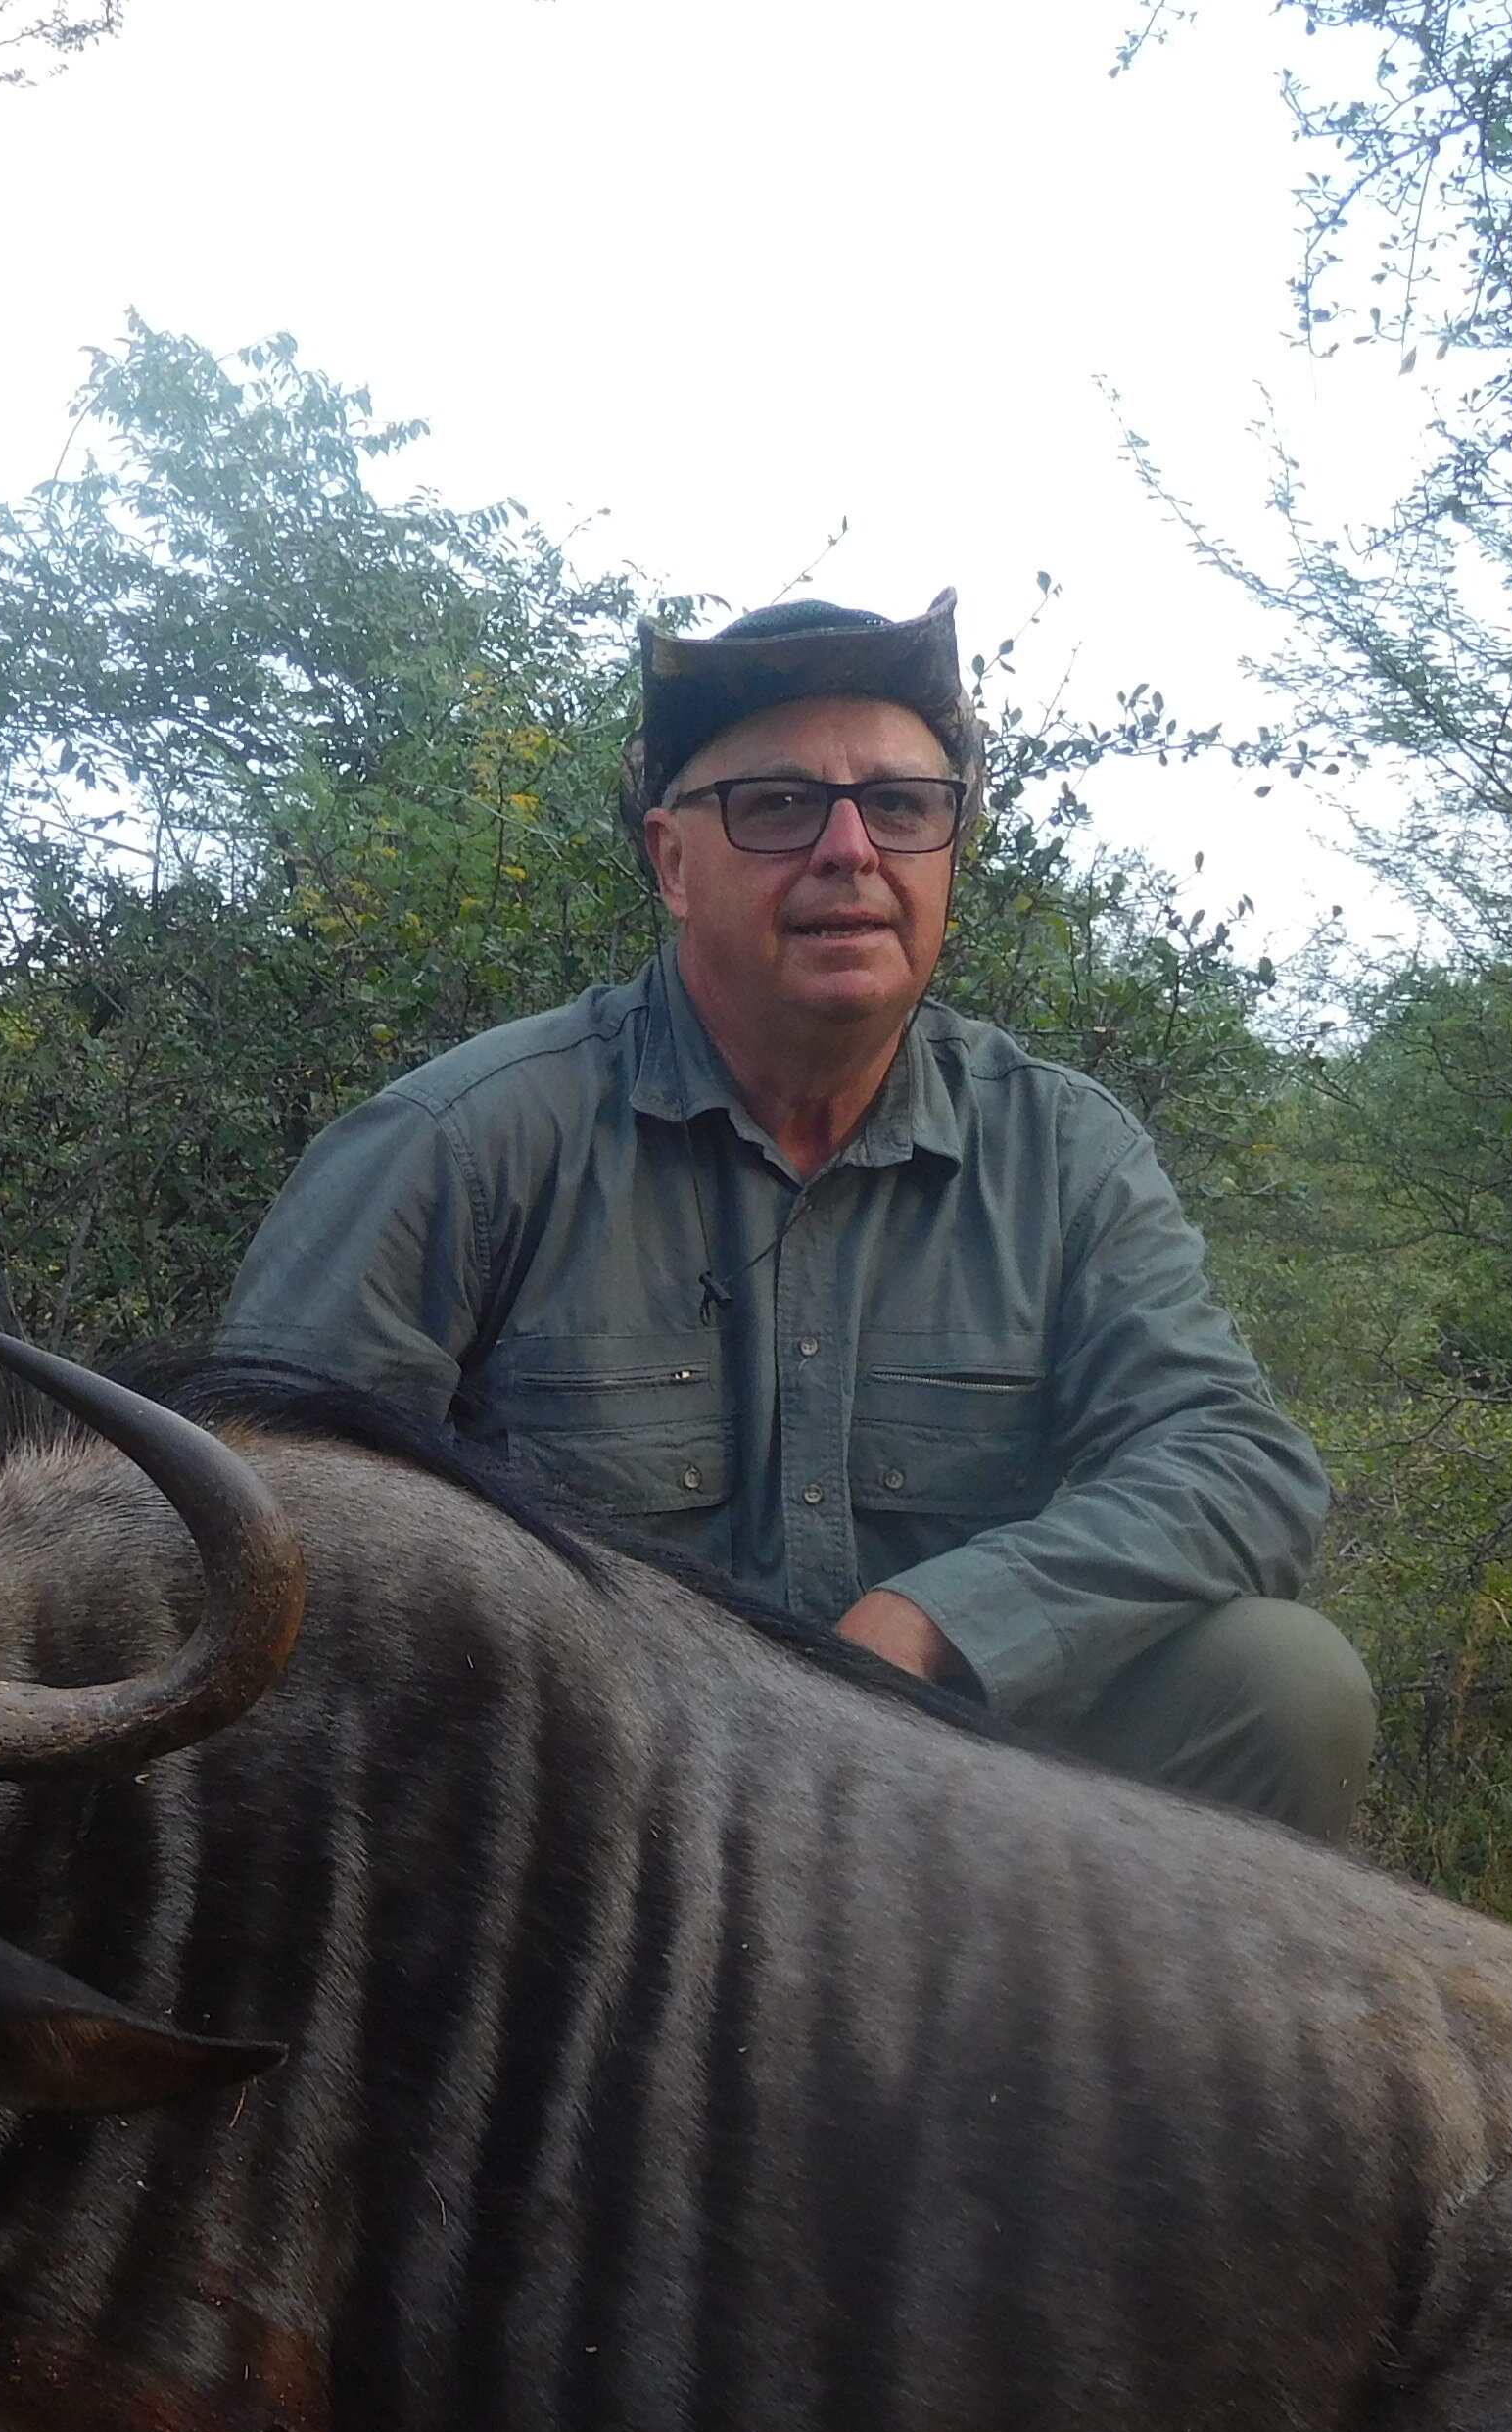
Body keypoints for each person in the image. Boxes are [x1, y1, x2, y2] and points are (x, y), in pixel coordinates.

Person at [216, 591, 1370, 1838]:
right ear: (672, 860)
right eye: (776, 805)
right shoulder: (459, 1147)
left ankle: (1093, 2038)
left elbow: (1237, 1463)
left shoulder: (1058, 1146)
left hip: (952, 1774)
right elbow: (252, 1533)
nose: (848, 850)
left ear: (947, 849)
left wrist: (934, 1625)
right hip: (587, 1821)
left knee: (1281, 1684)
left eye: (901, 805)